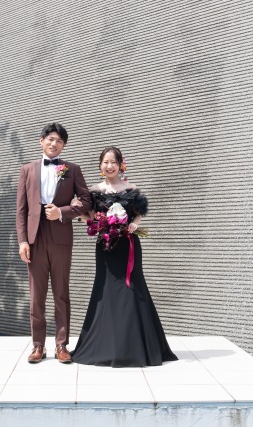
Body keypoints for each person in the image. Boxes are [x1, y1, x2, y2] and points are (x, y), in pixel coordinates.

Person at [70, 146, 178, 367]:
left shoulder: (131, 188)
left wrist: (134, 224)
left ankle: (137, 347)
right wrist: (87, 218)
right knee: (106, 290)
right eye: (105, 162)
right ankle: (106, 345)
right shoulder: (94, 191)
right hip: (106, 247)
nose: (109, 166)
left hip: (128, 246)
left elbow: (139, 213)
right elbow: (87, 216)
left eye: (114, 162)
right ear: (100, 165)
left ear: (121, 165)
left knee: (133, 288)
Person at [16, 123, 92, 364]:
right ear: (41, 140)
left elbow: (86, 200)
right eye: (50, 139)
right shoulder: (27, 170)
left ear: (64, 145)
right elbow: (21, 210)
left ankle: (61, 345)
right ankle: (38, 345)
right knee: (36, 295)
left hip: (60, 234)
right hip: (34, 238)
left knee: (61, 292)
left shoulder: (72, 169)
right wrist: (22, 241)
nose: (54, 144)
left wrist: (62, 212)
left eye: (59, 141)